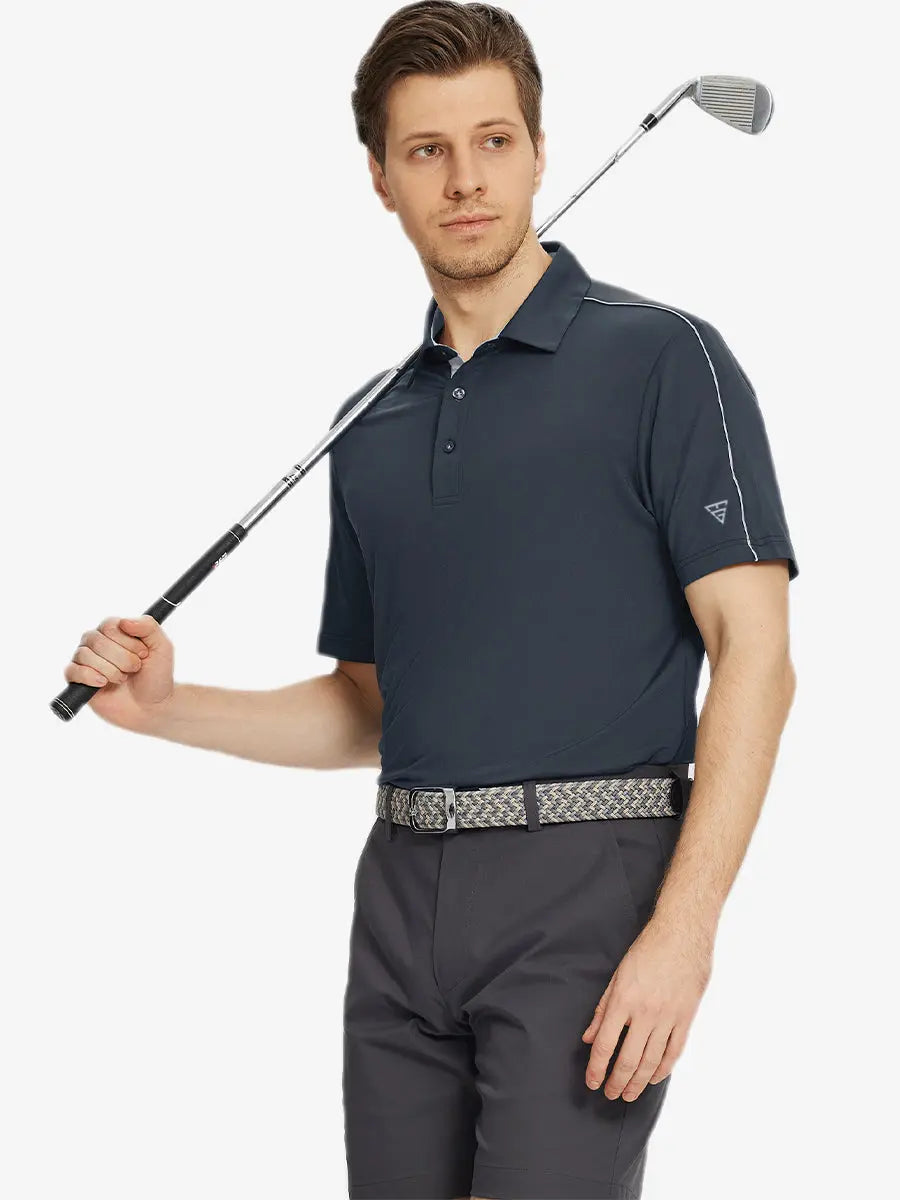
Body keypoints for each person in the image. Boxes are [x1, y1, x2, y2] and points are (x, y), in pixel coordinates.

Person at [62, 3, 799, 1197]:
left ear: (540, 152)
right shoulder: (373, 421)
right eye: (427, 151)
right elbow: (370, 709)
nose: (466, 180)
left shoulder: (667, 360)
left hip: (590, 884)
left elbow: (755, 653)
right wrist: (165, 708)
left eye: (495, 141)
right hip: (402, 894)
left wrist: (683, 931)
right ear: (381, 179)